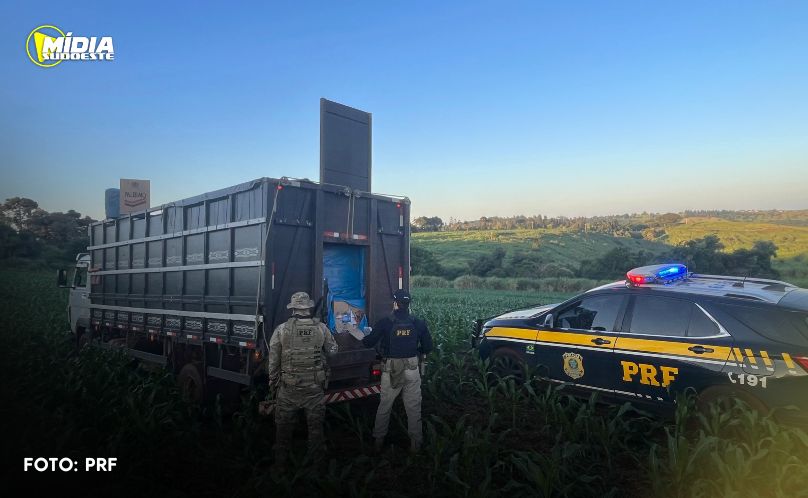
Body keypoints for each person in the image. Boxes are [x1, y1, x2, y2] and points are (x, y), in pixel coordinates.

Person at [267, 291, 338, 469]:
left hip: (288, 389)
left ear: (293, 309)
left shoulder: (282, 329)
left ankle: (280, 468)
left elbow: (273, 361)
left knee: (283, 431)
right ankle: (318, 469)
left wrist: (273, 382)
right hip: (314, 389)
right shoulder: (321, 328)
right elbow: (333, 351)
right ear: (308, 308)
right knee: (315, 430)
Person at [362, 289, 433, 453]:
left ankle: (378, 441)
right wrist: (414, 351)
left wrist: (365, 334)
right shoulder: (419, 323)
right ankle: (416, 445)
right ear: (408, 304)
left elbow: (368, 343)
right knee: (413, 408)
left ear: (395, 303)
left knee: (385, 406)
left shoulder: (385, 322)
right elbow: (428, 347)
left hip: (392, 369)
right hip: (412, 368)